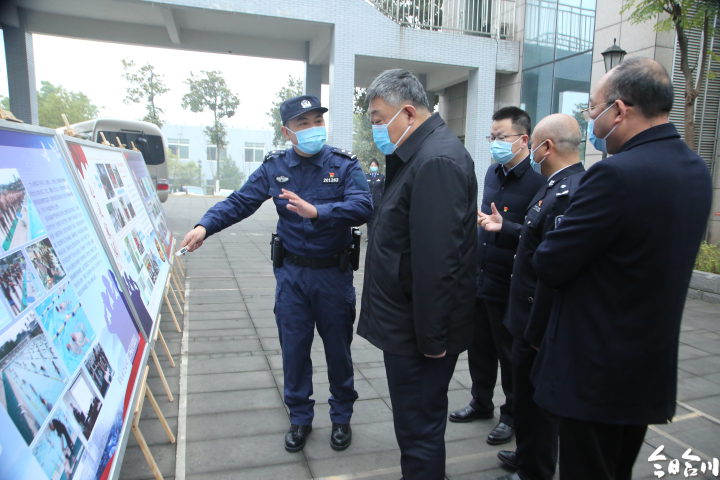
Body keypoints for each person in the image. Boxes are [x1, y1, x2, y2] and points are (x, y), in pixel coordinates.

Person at [530, 58, 712, 480]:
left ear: (620, 109)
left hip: (595, 372)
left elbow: (551, 263)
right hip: (647, 367)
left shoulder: (615, 174)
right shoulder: (695, 170)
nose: (592, 121)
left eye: (593, 110)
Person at [180, 95, 373, 453]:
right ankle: (300, 418)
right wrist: (204, 226)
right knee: (294, 350)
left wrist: (319, 211)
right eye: (304, 124)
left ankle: (341, 416)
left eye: (317, 120)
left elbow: (364, 205)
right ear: (287, 131)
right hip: (292, 277)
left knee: (338, 350)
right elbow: (240, 202)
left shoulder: (343, 164)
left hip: (333, 274)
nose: (314, 128)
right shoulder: (275, 167)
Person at [358, 69, 477, 479]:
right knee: (416, 429)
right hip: (408, 326)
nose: (375, 128)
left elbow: (438, 263)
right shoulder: (418, 155)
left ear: (407, 113)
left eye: (377, 119)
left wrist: (432, 341)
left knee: (420, 432)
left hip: (419, 337)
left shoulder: (436, 161)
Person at [478, 114, 585, 480]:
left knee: (536, 401)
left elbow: (554, 267)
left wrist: (538, 332)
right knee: (526, 397)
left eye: (500, 136)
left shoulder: (569, 190)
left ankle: (533, 469)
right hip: (519, 308)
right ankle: (526, 455)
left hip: (535, 317)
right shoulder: (553, 185)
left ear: (542, 146)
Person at [449, 107, 545, 446]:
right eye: (492, 137)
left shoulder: (538, 182)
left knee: (511, 358)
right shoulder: (491, 173)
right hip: (481, 278)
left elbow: (541, 236)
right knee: (480, 349)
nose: (494, 143)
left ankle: (512, 415)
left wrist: (509, 228)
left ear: (522, 140)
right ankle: (480, 402)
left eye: (500, 137)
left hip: (510, 285)